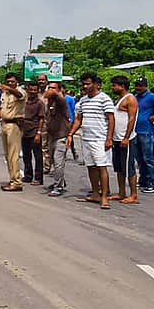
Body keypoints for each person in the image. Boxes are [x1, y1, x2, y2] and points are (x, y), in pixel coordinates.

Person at [66, 72, 115, 210]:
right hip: (86, 138)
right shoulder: (83, 101)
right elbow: (78, 120)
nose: (86, 86)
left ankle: (104, 196)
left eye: (88, 83)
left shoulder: (104, 99)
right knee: (91, 167)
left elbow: (111, 119)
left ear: (95, 84)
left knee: (101, 167)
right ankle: (95, 193)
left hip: (100, 139)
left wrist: (109, 138)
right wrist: (71, 134)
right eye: (84, 84)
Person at [0, 72, 25, 191]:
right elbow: (0, 111)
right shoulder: (4, 94)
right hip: (4, 124)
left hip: (14, 125)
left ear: (17, 82)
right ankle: (12, 179)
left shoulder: (20, 91)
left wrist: (8, 88)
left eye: (12, 82)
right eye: (8, 82)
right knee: (8, 155)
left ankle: (17, 182)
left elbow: (19, 95)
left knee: (13, 155)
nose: (10, 84)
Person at [109, 76, 139, 204]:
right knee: (119, 167)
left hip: (126, 139)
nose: (113, 87)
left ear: (122, 86)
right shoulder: (119, 99)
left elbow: (132, 119)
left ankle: (133, 195)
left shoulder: (130, 99)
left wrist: (126, 137)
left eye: (114, 85)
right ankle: (121, 192)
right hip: (117, 138)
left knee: (129, 168)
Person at [44, 80, 70, 196]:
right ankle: (60, 181)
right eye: (49, 87)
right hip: (51, 135)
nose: (50, 90)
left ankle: (58, 186)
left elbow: (58, 98)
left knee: (59, 161)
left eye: (54, 88)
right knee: (53, 161)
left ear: (59, 90)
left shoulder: (61, 101)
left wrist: (53, 93)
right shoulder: (49, 102)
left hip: (61, 135)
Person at [21, 80, 46, 185]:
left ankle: (38, 178)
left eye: (35, 90)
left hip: (34, 131)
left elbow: (41, 119)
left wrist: (38, 133)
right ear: (27, 90)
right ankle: (28, 175)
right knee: (26, 156)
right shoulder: (24, 102)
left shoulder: (40, 103)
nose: (33, 92)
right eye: (31, 89)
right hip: (24, 132)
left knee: (38, 156)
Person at [36, 73, 51, 174]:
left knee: (46, 146)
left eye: (43, 80)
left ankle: (47, 166)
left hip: (48, 122)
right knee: (39, 146)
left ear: (46, 81)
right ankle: (42, 165)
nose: (41, 82)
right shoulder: (35, 93)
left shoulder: (50, 93)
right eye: (39, 80)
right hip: (37, 122)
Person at [61, 83, 78, 162]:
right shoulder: (57, 98)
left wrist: (73, 120)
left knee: (69, 136)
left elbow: (73, 110)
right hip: (61, 121)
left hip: (69, 120)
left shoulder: (70, 99)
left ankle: (73, 151)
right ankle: (63, 153)